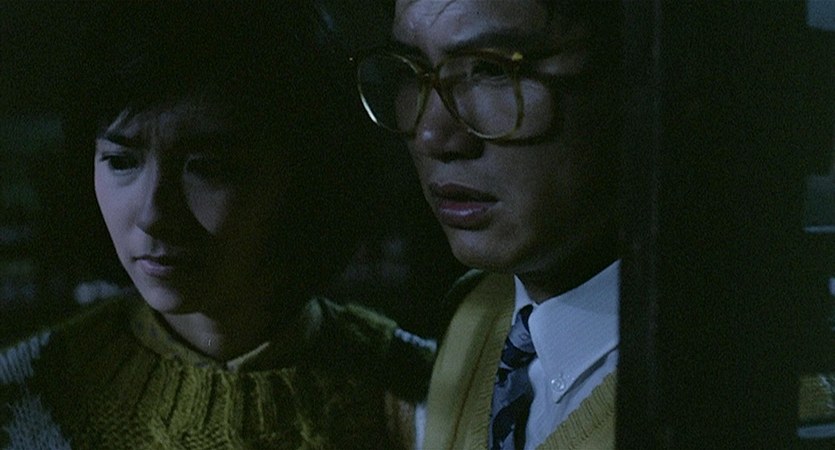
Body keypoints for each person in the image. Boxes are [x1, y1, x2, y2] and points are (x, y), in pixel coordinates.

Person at [0, 2, 430, 449]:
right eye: (122, 161)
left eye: (207, 167)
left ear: (304, 172)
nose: (153, 215)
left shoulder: (422, 398)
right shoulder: (22, 401)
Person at [355, 0, 624, 448]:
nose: (431, 134)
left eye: (491, 70)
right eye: (411, 69)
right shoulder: (473, 317)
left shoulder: (721, 393)